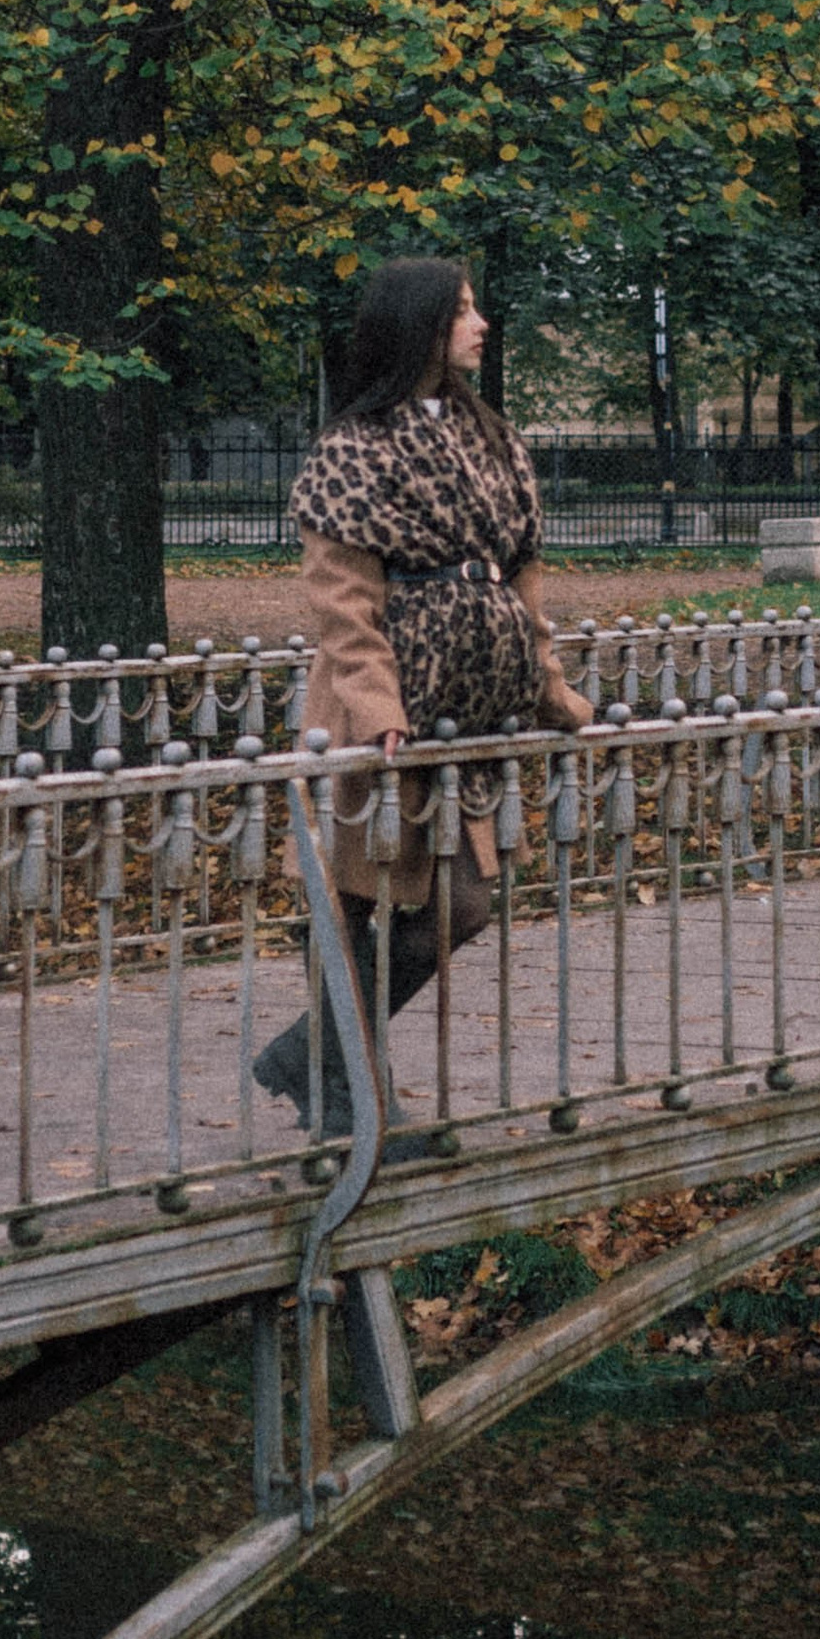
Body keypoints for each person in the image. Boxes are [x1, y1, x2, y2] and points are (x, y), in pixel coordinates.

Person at [254, 256, 592, 1134]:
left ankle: (312, 1060)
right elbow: (343, 604)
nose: (480, 326)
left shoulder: (492, 438)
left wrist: (551, 690)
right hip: (380, 717)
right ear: (418, 330)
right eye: (463, 314)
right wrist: (377, 713)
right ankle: (351, 1103)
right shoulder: (352, 452)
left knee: (458, 905)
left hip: (461, 713)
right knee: (357, 905)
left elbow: (522, 588)